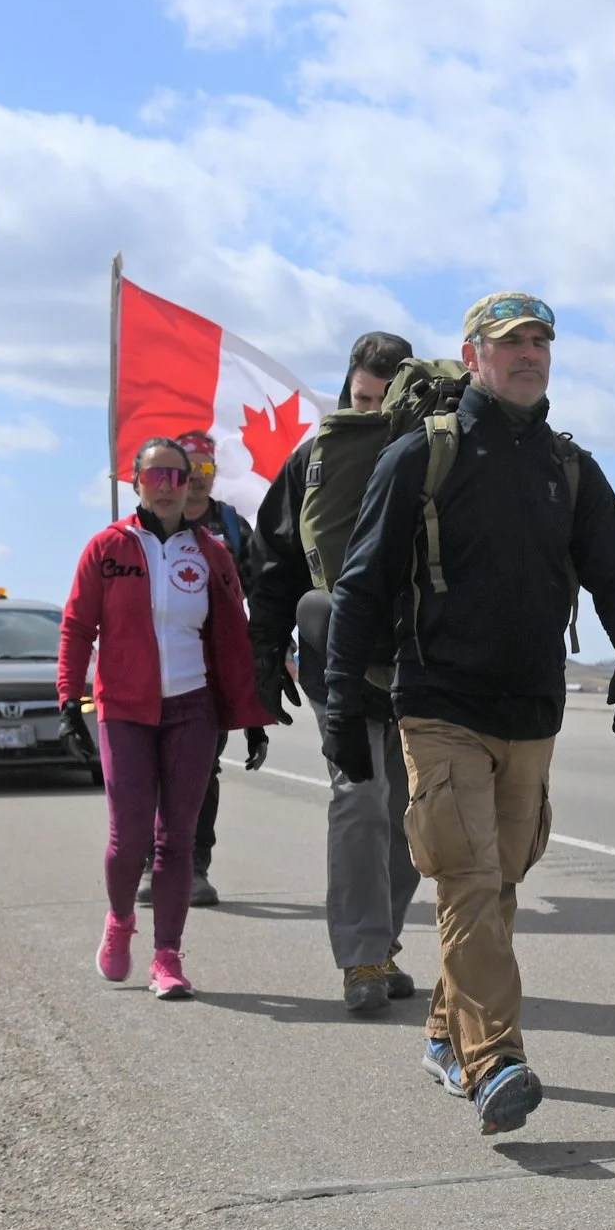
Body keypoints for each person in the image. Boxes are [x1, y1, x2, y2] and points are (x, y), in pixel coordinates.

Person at [323, 293, 615, 1134]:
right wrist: (338, 705)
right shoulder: (421, 459)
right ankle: (495, 1059)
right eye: (512, 343)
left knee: (500, 881)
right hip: (439, 703)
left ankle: (445, 1033)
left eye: (541, 341)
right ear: (473, 356)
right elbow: (360, 587)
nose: (530, 354)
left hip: (532, 710)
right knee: (469, 880)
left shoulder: (568, 468)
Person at [58, 438, 273, 999]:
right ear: (135, 484)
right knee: (128, 839)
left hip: (192, 709)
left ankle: (167, 957)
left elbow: (231, 634)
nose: (166, 486)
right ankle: (121, 921)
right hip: (125, 709)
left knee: (176, 840)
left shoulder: (210, 553)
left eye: (177, 476)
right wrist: (67, 700)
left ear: (191, 483)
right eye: (154, 476)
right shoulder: (106, 548)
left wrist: (250, 712)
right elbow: (78, 628)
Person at [250, 332, 424, 1013]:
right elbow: (274, 564)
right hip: (335, 659)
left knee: (415, 814)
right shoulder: (313, 463)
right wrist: (266, 650)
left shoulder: (436, 458)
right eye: (361, 398)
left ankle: (380, 941)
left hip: (416, 661)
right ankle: (360, 959)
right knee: (359, 800)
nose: (373, 411)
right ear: (346, 392)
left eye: (385, 400)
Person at [130, 429, 268, 910]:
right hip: (150, 671)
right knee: (149, 771)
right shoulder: (136, 532)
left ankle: (194, 866)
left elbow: (260, 597)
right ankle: (151, 863)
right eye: (188, 473)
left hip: (210, 674)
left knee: (201, 770)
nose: (196, 483)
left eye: (206, 472)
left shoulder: (232, 529)